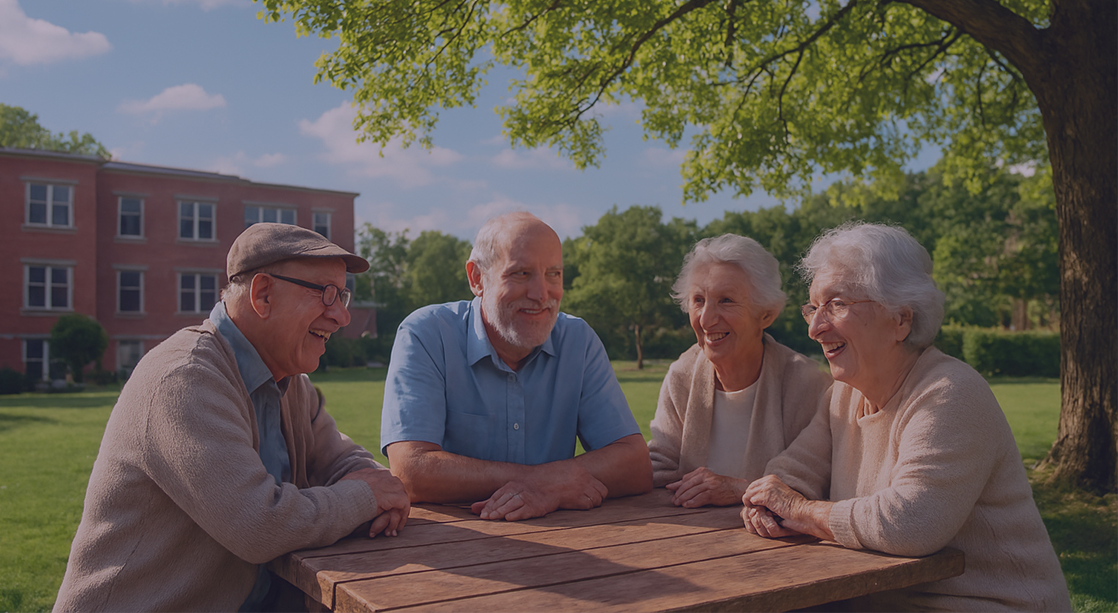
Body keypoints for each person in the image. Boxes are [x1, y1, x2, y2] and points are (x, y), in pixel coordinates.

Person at [54, 224, 410, 612]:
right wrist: (365, 498)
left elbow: (341, 459)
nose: (342, 316)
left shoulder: (290, 382)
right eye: (325, 293)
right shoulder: (185, 378)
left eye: (343, 296)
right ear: (262, 294)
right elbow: (259, 524)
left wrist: (378, 489)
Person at [741, 222, 1070, 611]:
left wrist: (799, 510)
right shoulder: (844, 397)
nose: (815, 327)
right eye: (813, 307)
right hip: (880, 599)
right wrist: (769, 502)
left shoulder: (950, 393)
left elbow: (912, 522)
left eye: (837, 304)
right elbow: (795, 470)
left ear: (901, 320)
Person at [381, 211, 649, 521]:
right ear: (477, 278)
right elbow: (411, 470)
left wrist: (548, 488)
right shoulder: (427, 334)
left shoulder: (578, 341)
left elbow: (635, 465)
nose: (541, 294)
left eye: (554, 274)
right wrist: (546, 481)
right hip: (448, 548)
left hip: (571, 545)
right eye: (521, 273)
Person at [650, 234, 832, 507]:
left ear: (766, 315)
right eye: (698, 300)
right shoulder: (681, 376)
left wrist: (738, 489)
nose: (707, 318)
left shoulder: (805, 383)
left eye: (726, 300)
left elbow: (818, 482)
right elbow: (657, 471)